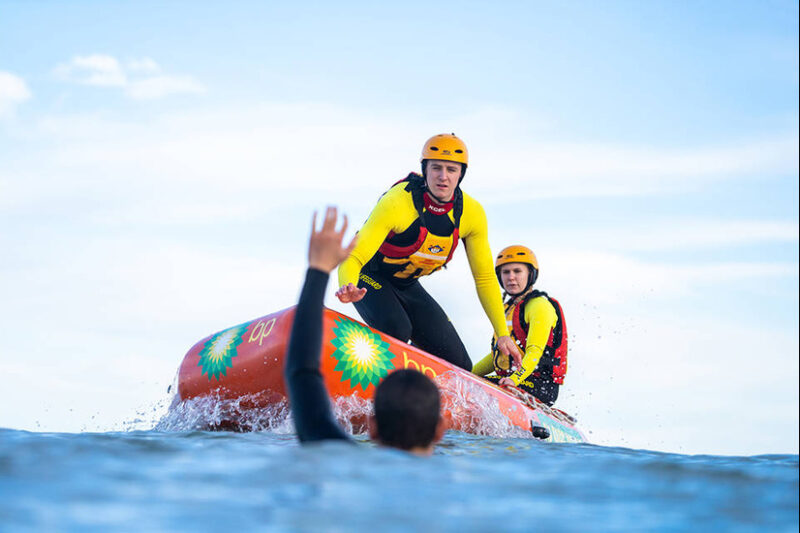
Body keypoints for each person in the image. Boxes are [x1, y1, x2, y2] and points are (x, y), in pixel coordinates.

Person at [335, 133, 521, 371]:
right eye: (436, 168)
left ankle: (425, 395)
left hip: (407, 284)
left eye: (451, 170)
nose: (443, 177)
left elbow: (484, 278)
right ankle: (365, 374)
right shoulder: (397, 203)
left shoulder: (471, 214)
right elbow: (354, 257)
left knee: (459, 363)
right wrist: (348, 286)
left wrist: (502, 333)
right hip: (367, 275)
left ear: (461, 174)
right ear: (425, 169)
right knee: (397, 329)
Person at [285, 206, 446, 456]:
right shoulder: (462, 489)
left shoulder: (346, 459)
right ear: (440, 430)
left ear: (371, 427)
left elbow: (301, 371)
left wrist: (318, 270)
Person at [472, 245, 568, 406]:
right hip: (511, 380)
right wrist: (466, 372)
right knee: (470, 379)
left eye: (517, 271)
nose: (511, 277)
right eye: (505, 272)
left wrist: (514, 380)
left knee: (473, 386)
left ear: (530, 274)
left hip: (540, 386)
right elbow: (498, 355)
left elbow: (534, 352)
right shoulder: (507, 309)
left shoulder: (539, 306)